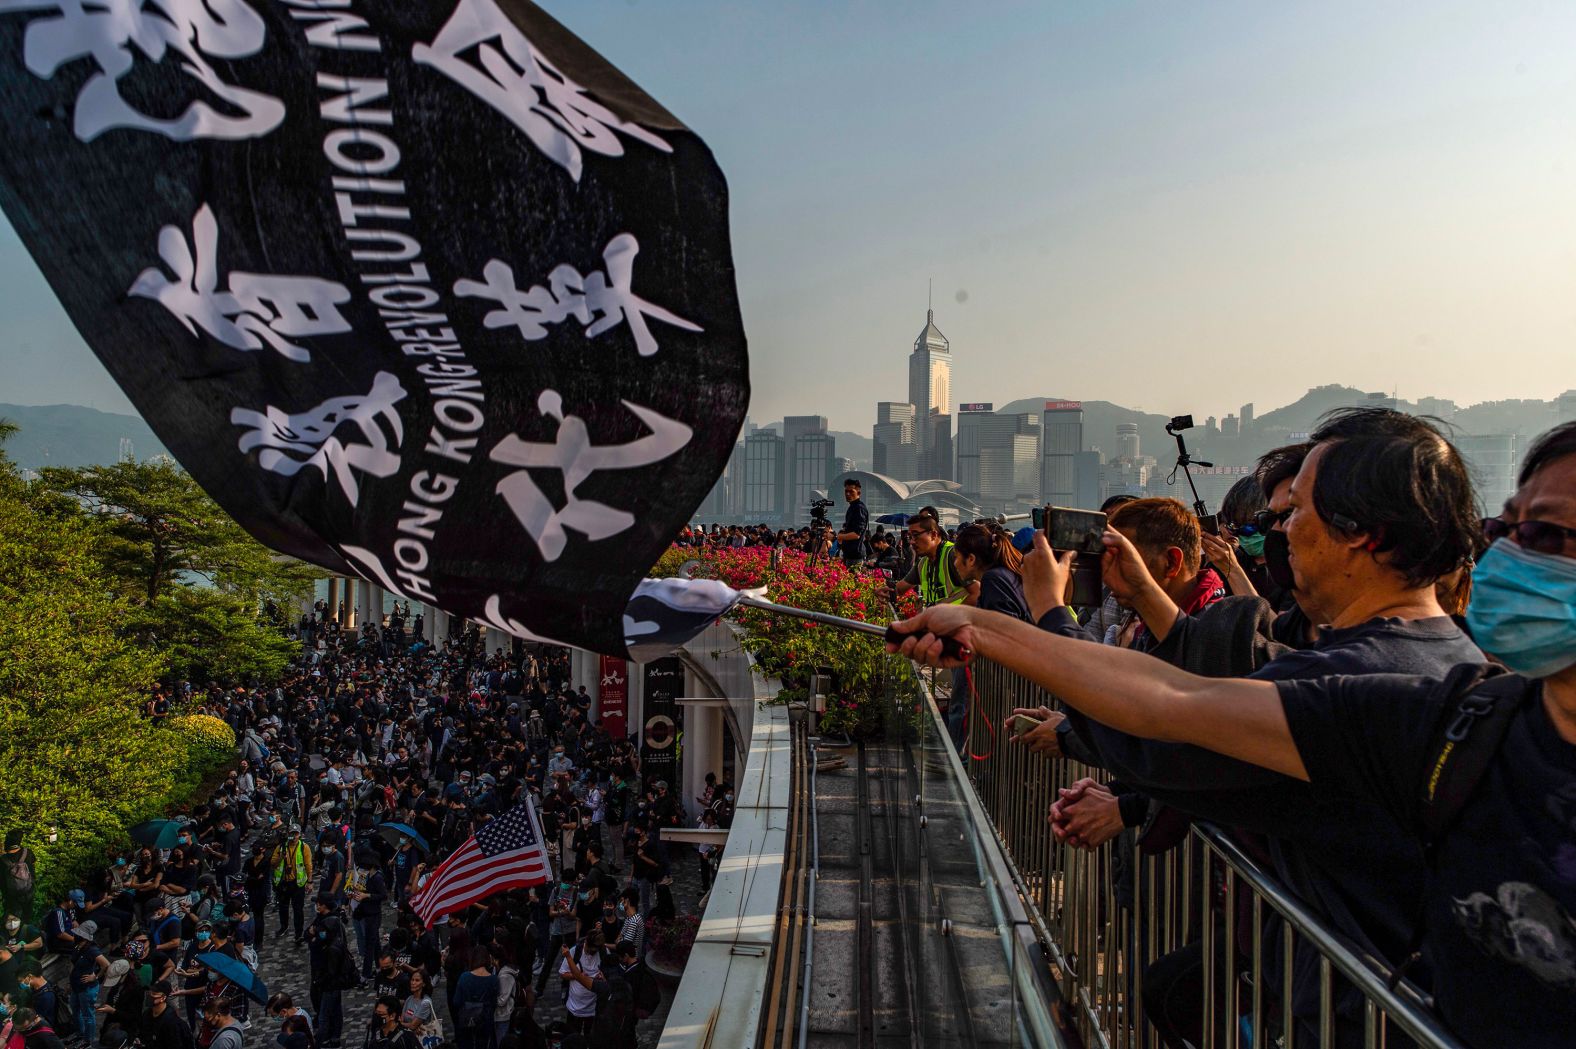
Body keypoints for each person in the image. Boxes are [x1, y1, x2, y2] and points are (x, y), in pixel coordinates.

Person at [889, 425, 1576, 1049]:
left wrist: (1028, 620)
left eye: (1293, 512)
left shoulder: (1391, 688)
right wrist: (993, 628)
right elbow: (1178, 693)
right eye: (1512, 528)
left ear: (1362, 531)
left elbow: (1167, 716)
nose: (1276, 533)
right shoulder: (1453, 703)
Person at [555, 929, 606, 1039]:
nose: (591, 953)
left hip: (593, 1010)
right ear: (586, 942)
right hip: (574, 1009)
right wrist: (577, 976)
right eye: (590, 950)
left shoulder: (604, 953)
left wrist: (602, 977)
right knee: (572, 1039)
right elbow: (563, 973)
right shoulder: (575, 951)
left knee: (591, 1040)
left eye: (594, 951)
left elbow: (608, 979)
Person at [450, 947, 498, 1049]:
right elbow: (495, 1003)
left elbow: (456, 1001)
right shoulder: (494, 979)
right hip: (485, 1020)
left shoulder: (464, 977)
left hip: (467, 1019)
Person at [271, 828, 313, 944]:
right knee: (283, 907)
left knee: (298, 909)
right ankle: (283, 927)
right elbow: (273, 864)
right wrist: (281, 857)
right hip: (283, 883)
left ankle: (298, 934)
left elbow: (308, 865)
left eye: (296, 834)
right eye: (292, 834)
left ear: (300, 835)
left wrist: (310, 882)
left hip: (297, 883)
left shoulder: (304, 847)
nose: (294, 837)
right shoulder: (280, 847)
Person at [141, 979, 194, 1049]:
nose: (150, 996)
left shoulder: (172, 1023)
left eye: (154, 994)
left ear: (163, 998)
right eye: (150, 993)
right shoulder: (147, 1014)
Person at [398, 969, 441, 1049]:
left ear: (424, 984)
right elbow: (402, 1019)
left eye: (417, 980)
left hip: (422, 1040)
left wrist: (402, 1024)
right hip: (409, 1039)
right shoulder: (409, 999)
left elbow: (413, 1025)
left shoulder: (425, 1002)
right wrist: (406, 1024)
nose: (413, 983)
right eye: (412, 980)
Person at [0, 836, 35, 927]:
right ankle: (25, 937)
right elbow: (33, 869)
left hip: (11, 897)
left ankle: (12, 938)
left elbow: (2, 881)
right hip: (28, 892)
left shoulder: (3, 859)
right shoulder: (28, 852)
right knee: (27, 918)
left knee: (12, 921)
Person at [834, 479, 868, 567]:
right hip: (849, 554)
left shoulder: (859, 508)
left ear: (858, 493)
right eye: (846, 491)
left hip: (855, 555)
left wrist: (838, 536)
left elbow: (856, 534)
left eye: (851, 491)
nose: (848, 494)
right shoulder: (852, 507)